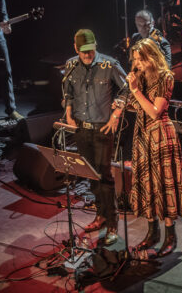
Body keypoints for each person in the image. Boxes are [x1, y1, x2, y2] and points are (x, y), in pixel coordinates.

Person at [62, 29, 127, 246]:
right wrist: (69, 113)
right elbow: (68, 91)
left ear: (96, 45)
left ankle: (112, 222)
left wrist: (116, 114)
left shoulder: (109, 65)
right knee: (91, 175)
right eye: (83, 52)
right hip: (81, 128)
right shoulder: (71, 65)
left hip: (102, 128)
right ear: (75, 48)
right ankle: (100, 214)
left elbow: (127, 89)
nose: (88, 55)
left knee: (105, 176)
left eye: (90, 51)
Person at [126, 38, 182, 256]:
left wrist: (135, 92)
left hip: (160, 134)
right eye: (134, 60)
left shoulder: (165, 77)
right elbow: (135, 105)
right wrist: (129, 94)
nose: (136, 64)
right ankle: (152, 233)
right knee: (146, 183)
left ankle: (171, 236)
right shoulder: (140, 77)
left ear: (150, 57)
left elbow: (154, 111)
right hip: (142, 135)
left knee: (163, 183)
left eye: (138, 60)